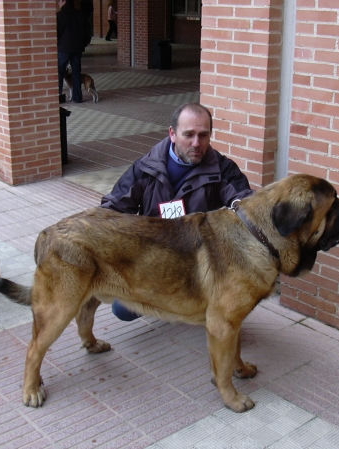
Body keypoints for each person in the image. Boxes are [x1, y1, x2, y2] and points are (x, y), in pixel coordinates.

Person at [101, 103, 253, 321]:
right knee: (122, 310)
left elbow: (244, 202)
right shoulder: (145, 167)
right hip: (156, 255)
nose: (196, 143)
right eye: (188, 135)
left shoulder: (222, 169)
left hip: (201, 260)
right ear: (172, 133)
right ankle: (176, 300)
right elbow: (112, 208)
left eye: (203, 135)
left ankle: (204, 305)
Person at [57, 0, 88, 103]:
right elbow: (87, 32)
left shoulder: (59, 16)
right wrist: (83, 44)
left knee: (60, 72)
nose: (58, 3)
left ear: (64, 1)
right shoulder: (80, 15)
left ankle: (59, 96)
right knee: (76, 72)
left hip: (63, 48)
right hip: (77, 48)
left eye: (59, 1)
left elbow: (56, 33)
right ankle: (77, 97)